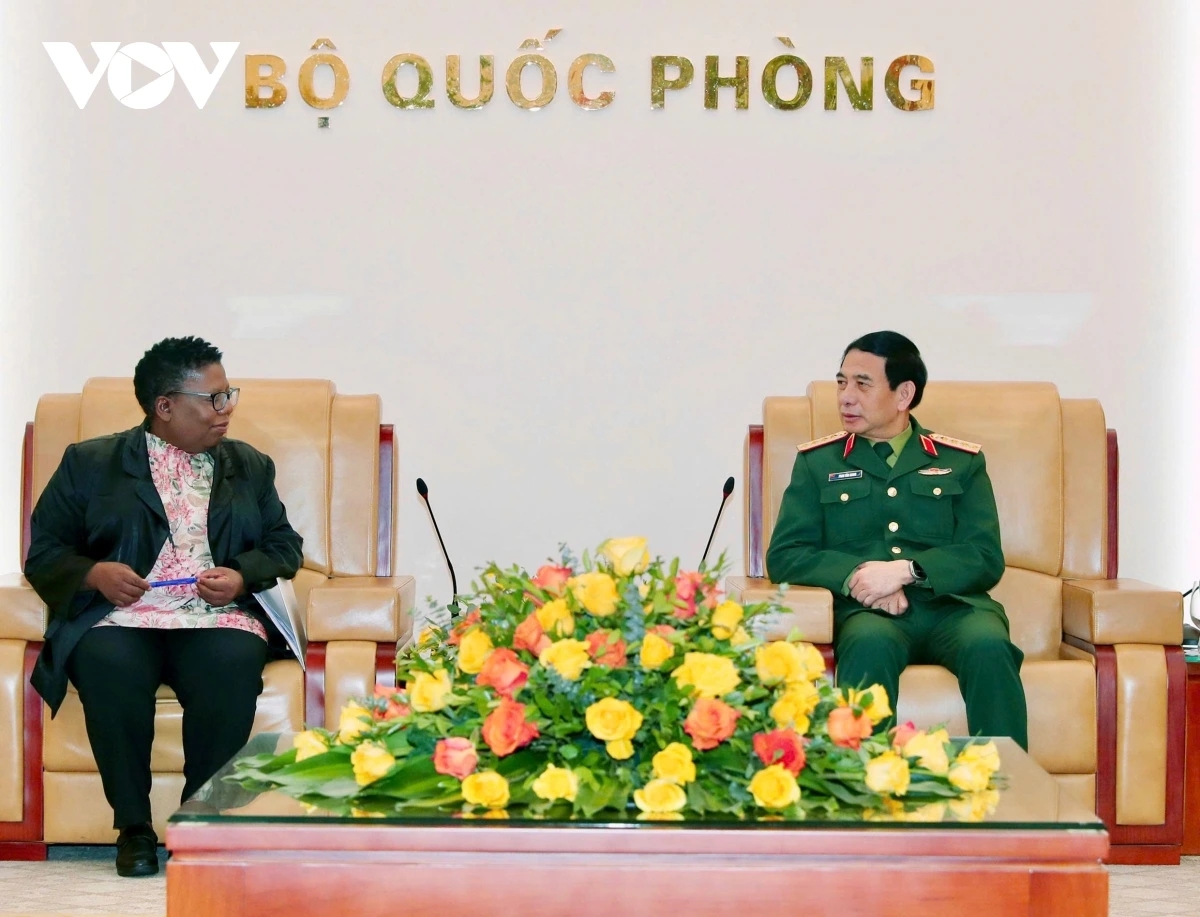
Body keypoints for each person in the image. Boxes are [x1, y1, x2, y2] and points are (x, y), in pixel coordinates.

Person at [25, 337, 303, 877]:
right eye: (213, 398)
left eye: (229, 395)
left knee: (232, 661)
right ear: (165, 406)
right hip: (119, 616)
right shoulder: (90, 463)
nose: (226, 408)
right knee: (106, 663)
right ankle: (134, 828)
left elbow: (284, 545)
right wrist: (94, 574)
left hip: (214, 615)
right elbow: (45, 552)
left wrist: (241, 574)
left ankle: (200, 822)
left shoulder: (250, 465)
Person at [765, 331, 1027, 748]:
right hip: (868, 614)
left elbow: (983, 556)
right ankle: (864, 779)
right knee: (868, 644)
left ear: (904, 394)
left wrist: (907, 571)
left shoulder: (960, 461)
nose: (846, 397)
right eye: (841, 383)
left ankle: (1007, 779)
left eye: (862, 384)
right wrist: (859, 577)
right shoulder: (818, 462)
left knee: (989, 645)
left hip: (953, 609)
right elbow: (785, 555)